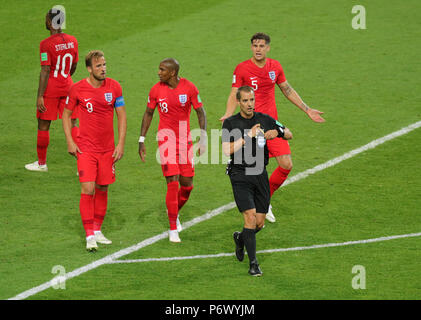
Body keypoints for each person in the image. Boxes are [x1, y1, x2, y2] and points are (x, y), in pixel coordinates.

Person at [220, 32, 324, 222]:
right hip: (251, 128)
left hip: (271, 125)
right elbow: (234, 93)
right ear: (251, 47)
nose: (258, 49)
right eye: (254, 46)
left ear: (268, 47)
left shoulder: (275, 66)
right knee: (252, 170)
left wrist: (307, 109)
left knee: (286, 164)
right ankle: (256, 205)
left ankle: (264, 199)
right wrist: (228, 114)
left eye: (261, 46)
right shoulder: (242, 68)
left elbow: (287, 89)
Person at [222, 86, 292, 276]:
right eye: (245, 101)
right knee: (250, 217)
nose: (249, 104)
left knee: (259, 223)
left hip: (260, 173)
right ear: (238, 102)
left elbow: (289, 133)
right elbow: (226, 150)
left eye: (252, 100)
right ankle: (253, 264)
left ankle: (241, 238)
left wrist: (276, 133)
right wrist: (247, 136)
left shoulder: (264, 119)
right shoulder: (230, 123)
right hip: (239, 174)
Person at [62, 50, 127, 252]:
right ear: (89, 69)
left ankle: (98, 230)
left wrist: (121, 144)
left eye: (104, 65)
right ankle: (89, 234)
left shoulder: (114, 87)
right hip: (86, 149)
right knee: (88, 189)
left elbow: (122, 116)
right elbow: (66, 115)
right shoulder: (78, 89)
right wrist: (70, 141)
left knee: (103, 188)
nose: (103, 69)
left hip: (107, 149)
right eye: (98, 66)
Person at [138, 58, 207, 243]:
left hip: (186, 142)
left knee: (187, 186)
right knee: (173, 182)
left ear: (173, 73)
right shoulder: (155, 90)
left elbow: (200, 112)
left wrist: (203, 137)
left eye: (162, 70)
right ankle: (172, 228)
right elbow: (148, 113)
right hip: (166, 140)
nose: (158, 72)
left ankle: (174, 212)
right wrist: (141, 139)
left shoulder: (189, 88)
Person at [25, 8, 79, 172]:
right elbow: (74, 65)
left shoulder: (46, 44)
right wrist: (65, 78)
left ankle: (42, 164)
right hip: (69, 86)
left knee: (43, 125)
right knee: (72, 123)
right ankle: (81, 165)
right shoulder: (73, 40)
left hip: (51, 89)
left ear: (49, 22)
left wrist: (40, 95)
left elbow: (45, 70)